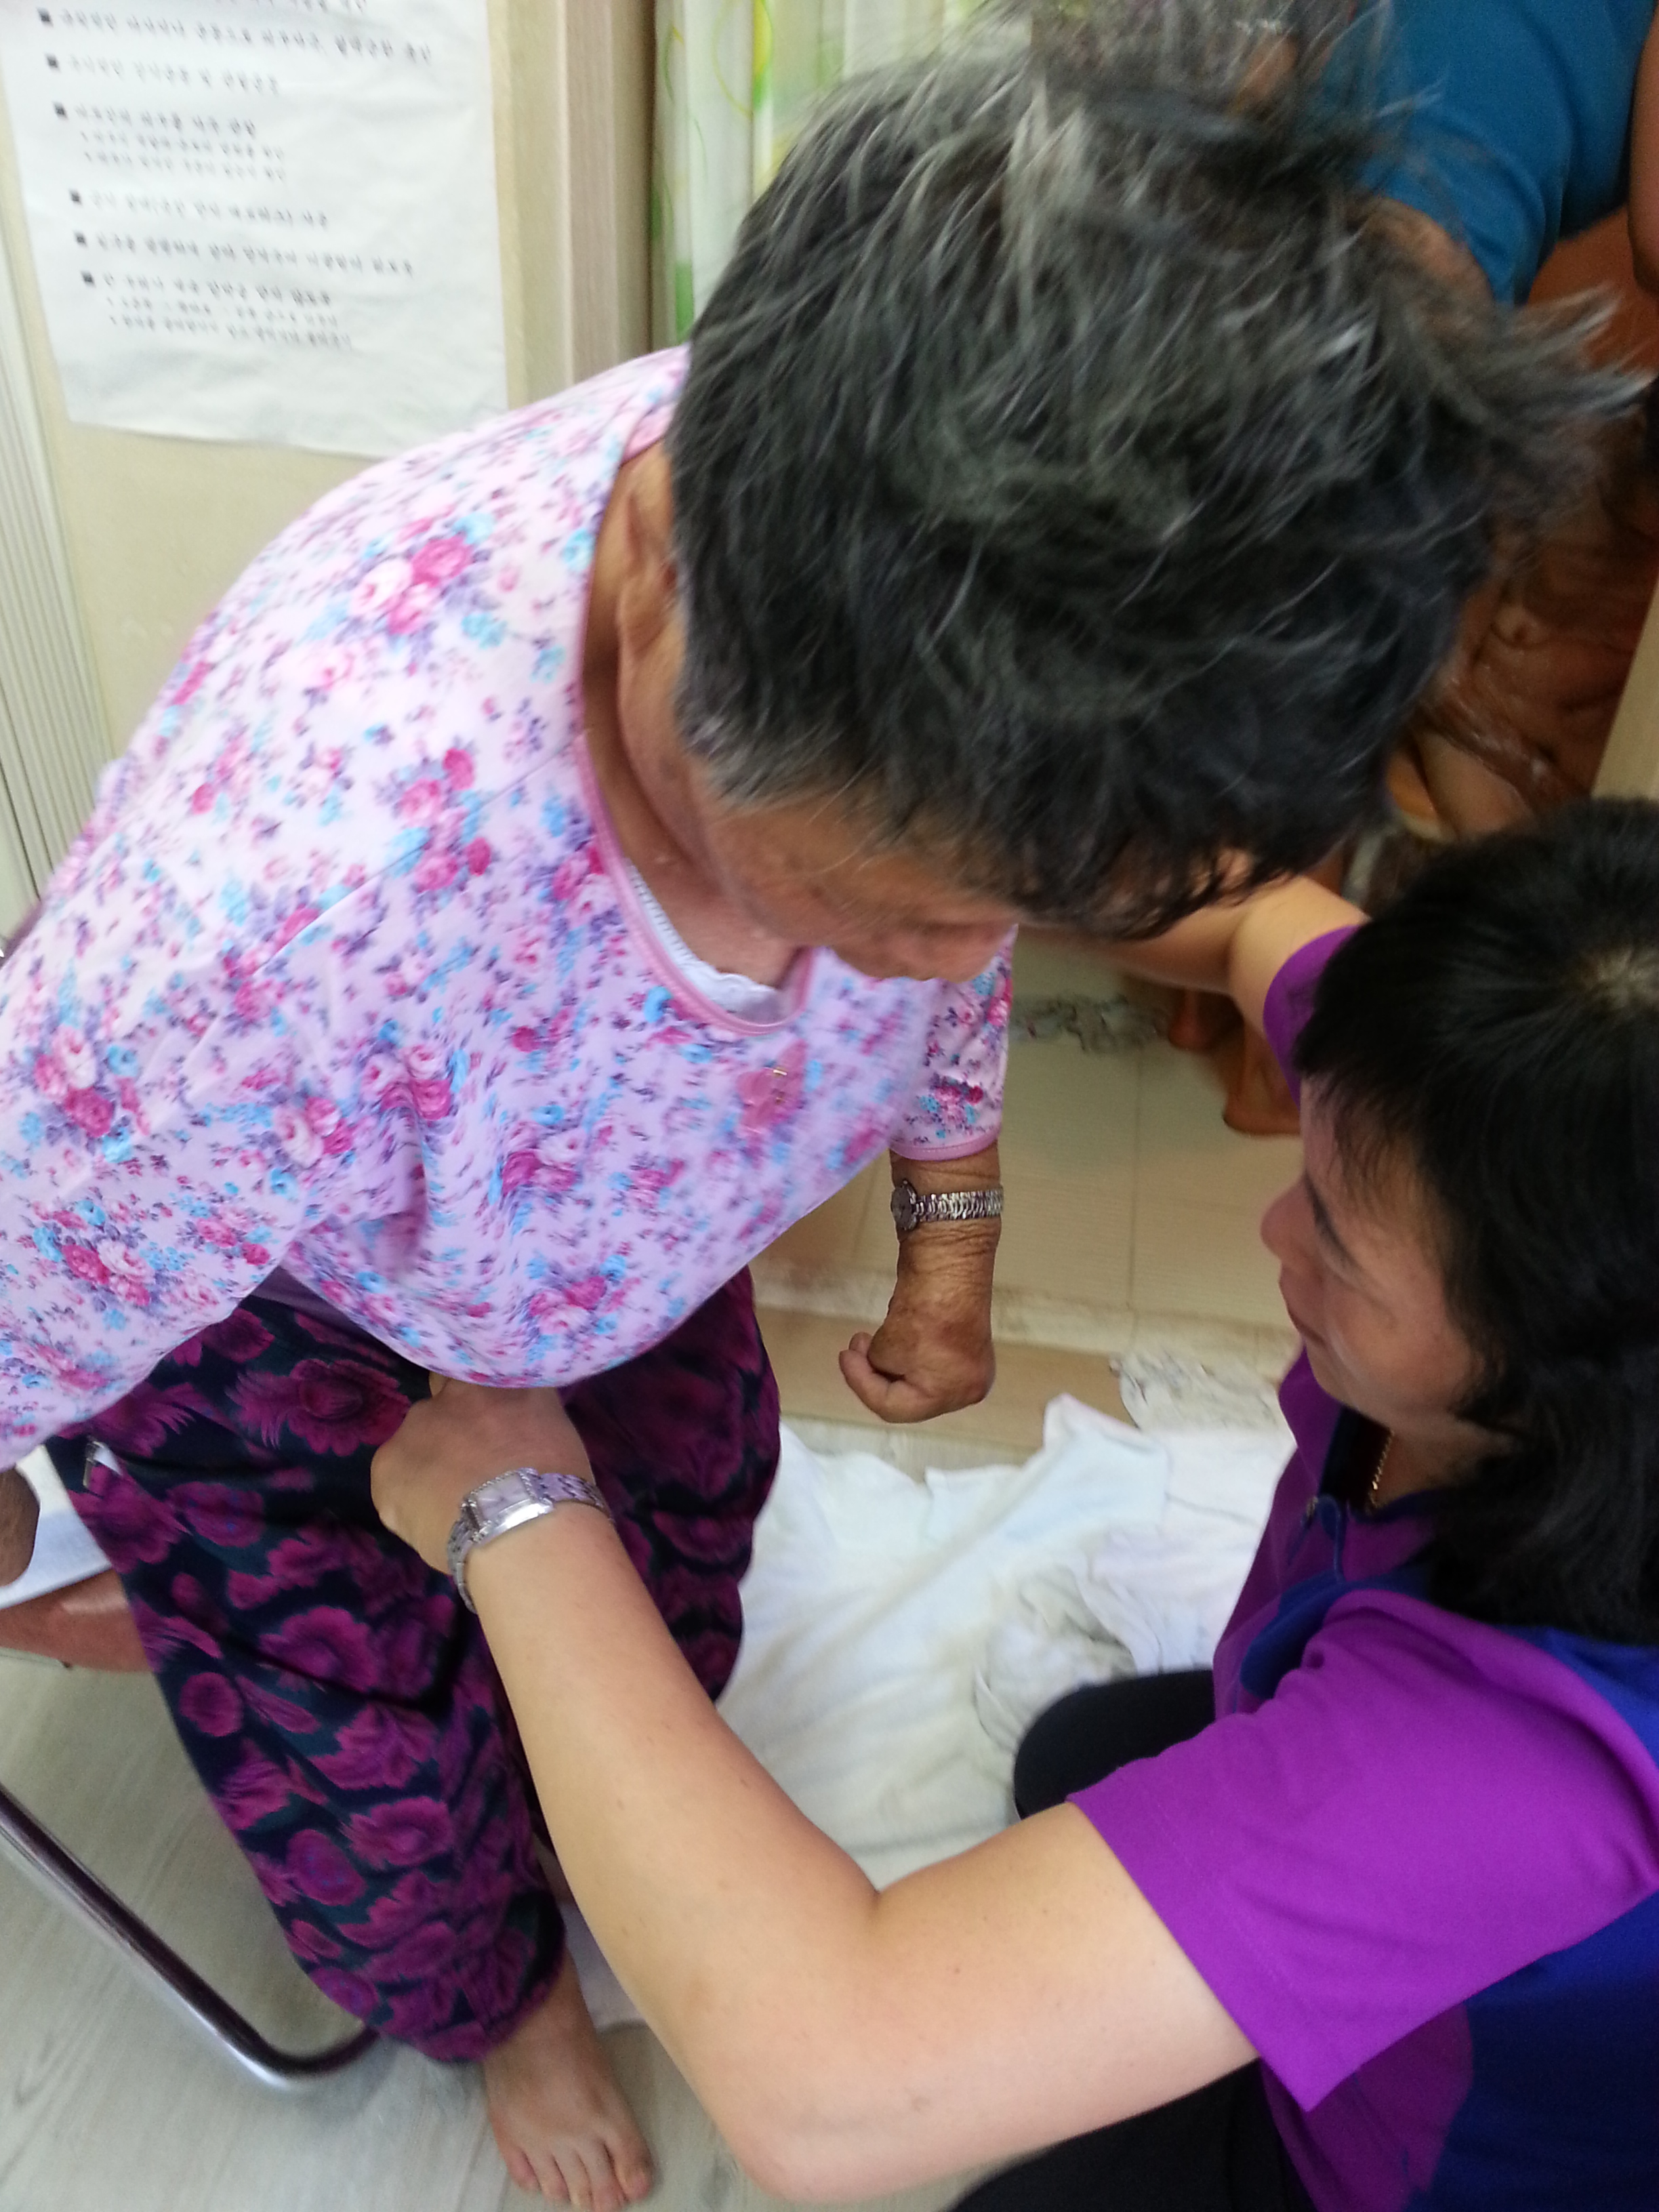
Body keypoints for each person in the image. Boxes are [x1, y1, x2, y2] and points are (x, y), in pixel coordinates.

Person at [0, 5, 1626, 2203]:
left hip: (624, 1258)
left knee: (671, 1594)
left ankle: (589, 1833)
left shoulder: (936, 645)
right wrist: (50, 1524)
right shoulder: (273, 925)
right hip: (306, 1322)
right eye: (908, 910)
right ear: (662, 560)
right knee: (367, 1774)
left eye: (1020, 913)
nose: (956, 972)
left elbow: (841, 2078)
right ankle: (500, 1999)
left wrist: (937, 1235)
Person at [373, 797, 1659, 2212]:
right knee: (1081, 1755)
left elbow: (831, 2088)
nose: (1276, 1229)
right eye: (1310, 1162)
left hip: (1397, 2163)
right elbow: (1248, 920)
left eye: (1341, 1250)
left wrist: (518, 1504)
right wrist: (905, 839)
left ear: (1563, 1395)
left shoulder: (1509, 1765)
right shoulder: (1510, 1097)